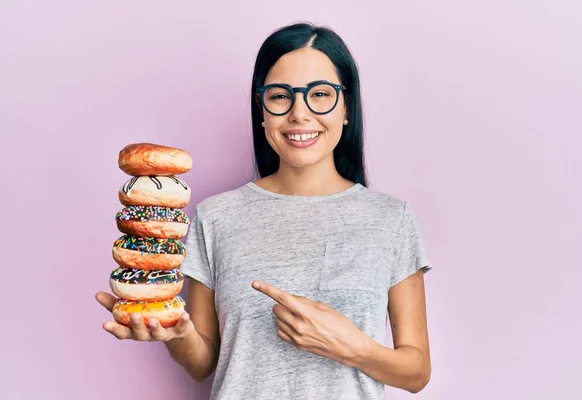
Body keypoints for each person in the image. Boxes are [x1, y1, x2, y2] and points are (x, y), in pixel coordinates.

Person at [96, 22, 434, 399]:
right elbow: (203, 363)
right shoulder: (216, 217)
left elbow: (416, 371)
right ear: (262, 110)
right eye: (279, 96)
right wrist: (178, 334)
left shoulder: (391, 219)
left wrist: (349, 346)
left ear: (347, 109)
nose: (299, 114)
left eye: (320, 94)